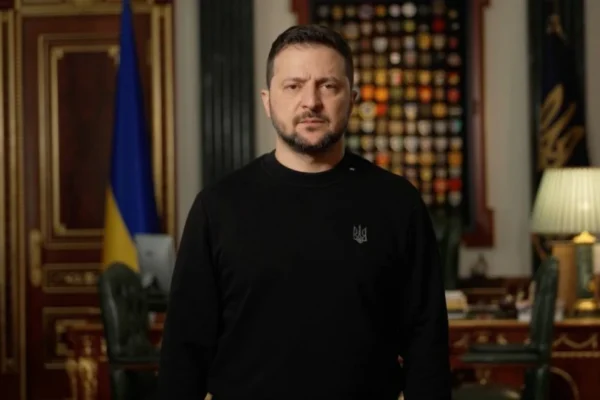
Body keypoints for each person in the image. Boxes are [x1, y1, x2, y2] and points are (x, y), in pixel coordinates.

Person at [157, 24, 451, 399]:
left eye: (328, 86)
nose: (310, 102)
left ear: (352, 98)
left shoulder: (397, 203)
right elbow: (183, 355)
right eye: (293, 86)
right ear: (267, 101)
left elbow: (427, 347)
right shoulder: (217, 207)